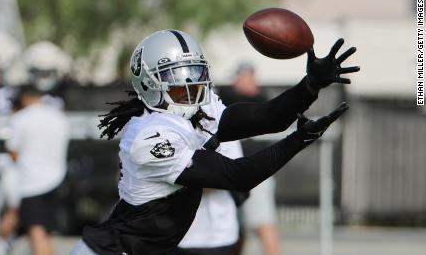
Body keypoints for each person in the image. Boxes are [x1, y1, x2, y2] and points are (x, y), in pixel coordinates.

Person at [70, 30, 359, 255]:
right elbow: (238, 176)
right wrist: (298, 140)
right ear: (149, 84)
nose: (190, 86)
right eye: (175, 78)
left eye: (193, 73)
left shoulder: (192, 112)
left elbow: (266, 118)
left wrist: (310, 85)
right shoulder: (149, 136)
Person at [218, 63, 280, 255]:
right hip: (230, 172)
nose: (242, 81)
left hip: (255, 172)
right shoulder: (226, 99)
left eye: (246, 77)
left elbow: (253, 100)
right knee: (235, 229)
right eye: (240, 77)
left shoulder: (261, 99)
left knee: (262, 222)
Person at [6, 84, 69, 255]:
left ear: (24, 97)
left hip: (32, 182)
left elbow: (13, 152)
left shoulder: (20, 119)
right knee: (46, 232)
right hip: (57, 177)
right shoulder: (58, 117)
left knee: (36, 231)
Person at [175, 140, 244, 255]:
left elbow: (235, 175)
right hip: (178, 234)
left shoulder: (223, 127)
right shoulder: (168, 128)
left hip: (219, 235)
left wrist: (183, 180)